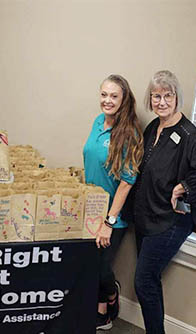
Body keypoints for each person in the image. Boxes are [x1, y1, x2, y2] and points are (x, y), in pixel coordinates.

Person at [124, 70, 195, 334]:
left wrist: (184, 186)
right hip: (146, 215)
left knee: (143, 281)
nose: (161, 101)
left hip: (170, 219)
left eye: (168, 95)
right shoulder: (154, 126)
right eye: (156, 96)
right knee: (149, 281)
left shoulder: (189, 135)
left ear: (177, 98)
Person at [83, 74, 143, 330]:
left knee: (101, 267)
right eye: (104, 94)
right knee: (88, 264)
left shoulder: (128, 134)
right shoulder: (98, 121)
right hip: (89, 209)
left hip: (111, 215)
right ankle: (101, 310)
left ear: (124, 99)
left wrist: (109, 220)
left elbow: (127, 182)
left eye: (114, 96)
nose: (107, 100)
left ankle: (110, 298)